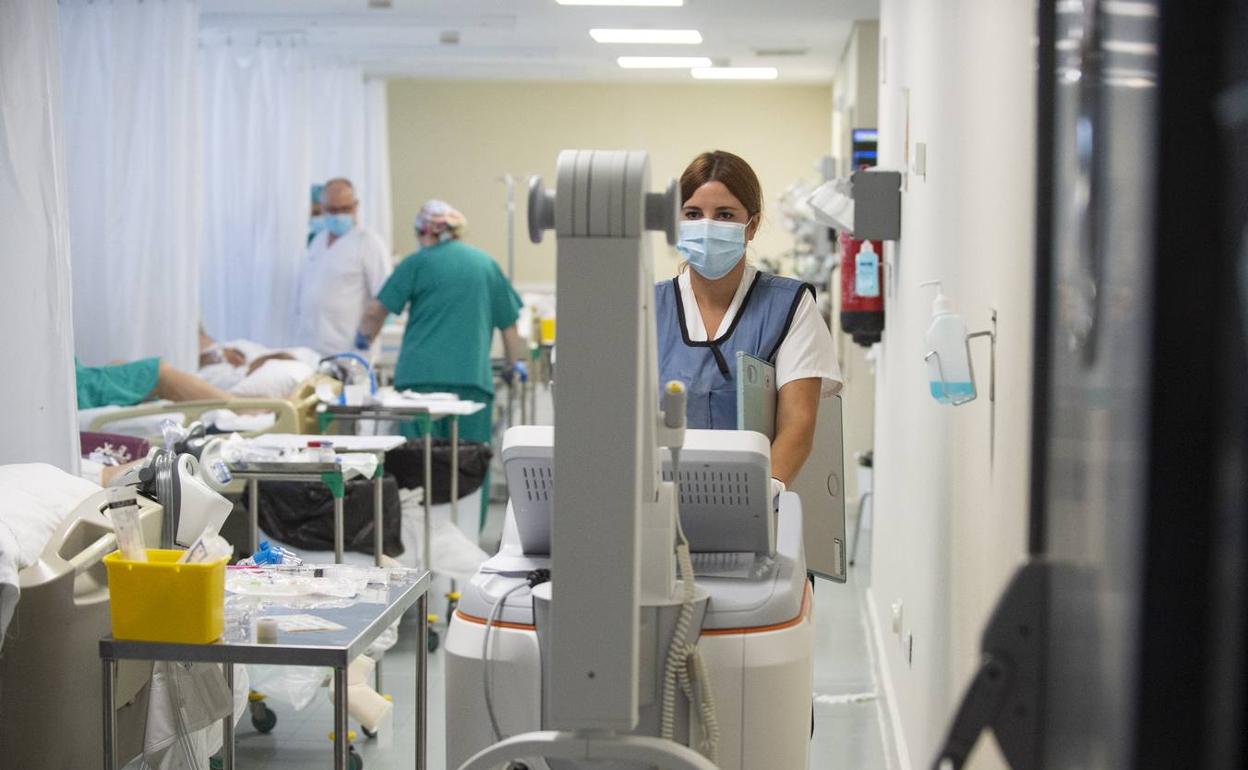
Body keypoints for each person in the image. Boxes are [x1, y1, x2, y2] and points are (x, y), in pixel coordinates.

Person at [657, 150, 842, 495]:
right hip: (658, 507)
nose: (709, 226)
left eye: (725, 215)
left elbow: (797, 427)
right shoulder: (649, 308)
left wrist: (753, 501)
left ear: (751, 225)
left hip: (755, 507)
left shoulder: (789, 306)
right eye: (693, 214)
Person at [354, 200, 528, 522]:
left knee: (417, 465)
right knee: (470, 463)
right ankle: (468, 531)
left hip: (418, 383)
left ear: (424, 231)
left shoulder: (416, 263)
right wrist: (512, 365)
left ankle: (418, 536)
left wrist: (361, 344)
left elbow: (375, 312)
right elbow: (510, 327)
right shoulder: (486, 265)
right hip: (471, 382)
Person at [292, 177, 392, 355]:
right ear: (322, 208)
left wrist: (365, 340)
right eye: (333, 209)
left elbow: (384, 298)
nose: (339, 215)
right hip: (310, 346)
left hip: (349, 350)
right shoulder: (318, 241)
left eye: (345, 209)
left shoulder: (368, 243)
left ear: (356, 206)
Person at [75, 357, 230, 410]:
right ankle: (243, 408)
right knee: (158, 372)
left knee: (120, 364)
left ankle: (238, 403)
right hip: (77, 392)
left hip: (77, 382)